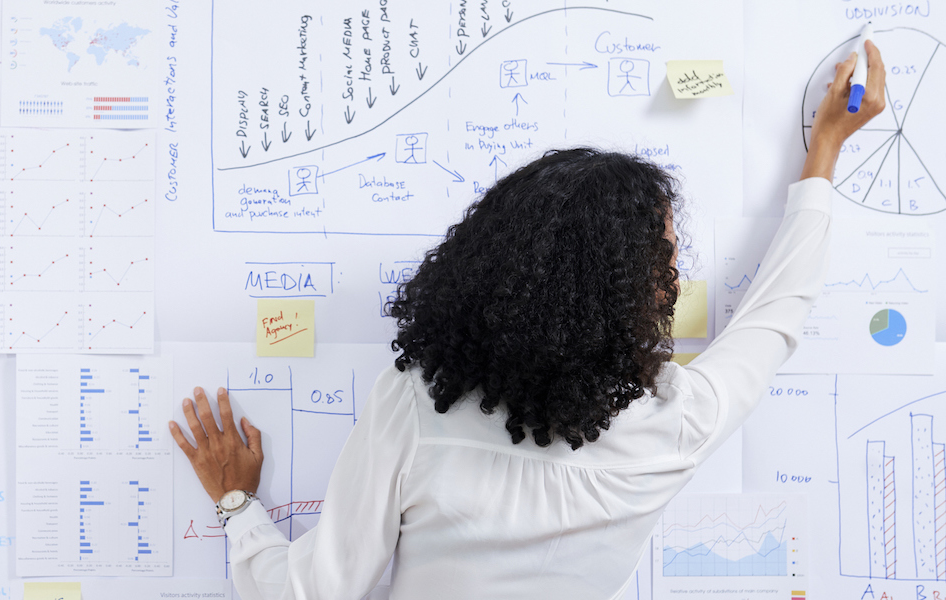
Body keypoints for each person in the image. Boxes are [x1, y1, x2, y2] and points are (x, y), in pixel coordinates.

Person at [169, 43, 886, 599]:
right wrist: (824, 152)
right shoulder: (673, 424)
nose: (674, 274)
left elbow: (314, 591)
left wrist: (239, 507)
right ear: (631, 295)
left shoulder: (419, 402)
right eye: (664, 259)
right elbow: (777, 317)